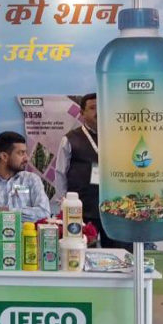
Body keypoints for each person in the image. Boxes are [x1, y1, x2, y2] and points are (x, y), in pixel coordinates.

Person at [52, 93, 129, 248]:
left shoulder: (120, 136)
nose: (98, 112)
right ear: (82, 113)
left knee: (119, 253)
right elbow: (60, 173)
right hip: (82, 210)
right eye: (93, 108)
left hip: (115, 209)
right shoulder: (70, 139)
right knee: (81, 254)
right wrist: (63, 203)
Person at [0, 131, 51, 243]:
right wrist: (25, 218)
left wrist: (7, 212)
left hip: (26, 244)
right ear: (4, 156)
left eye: (25, 153)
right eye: (21, 153)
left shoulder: (32, 179)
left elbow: (44, 213)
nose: (26, 158)